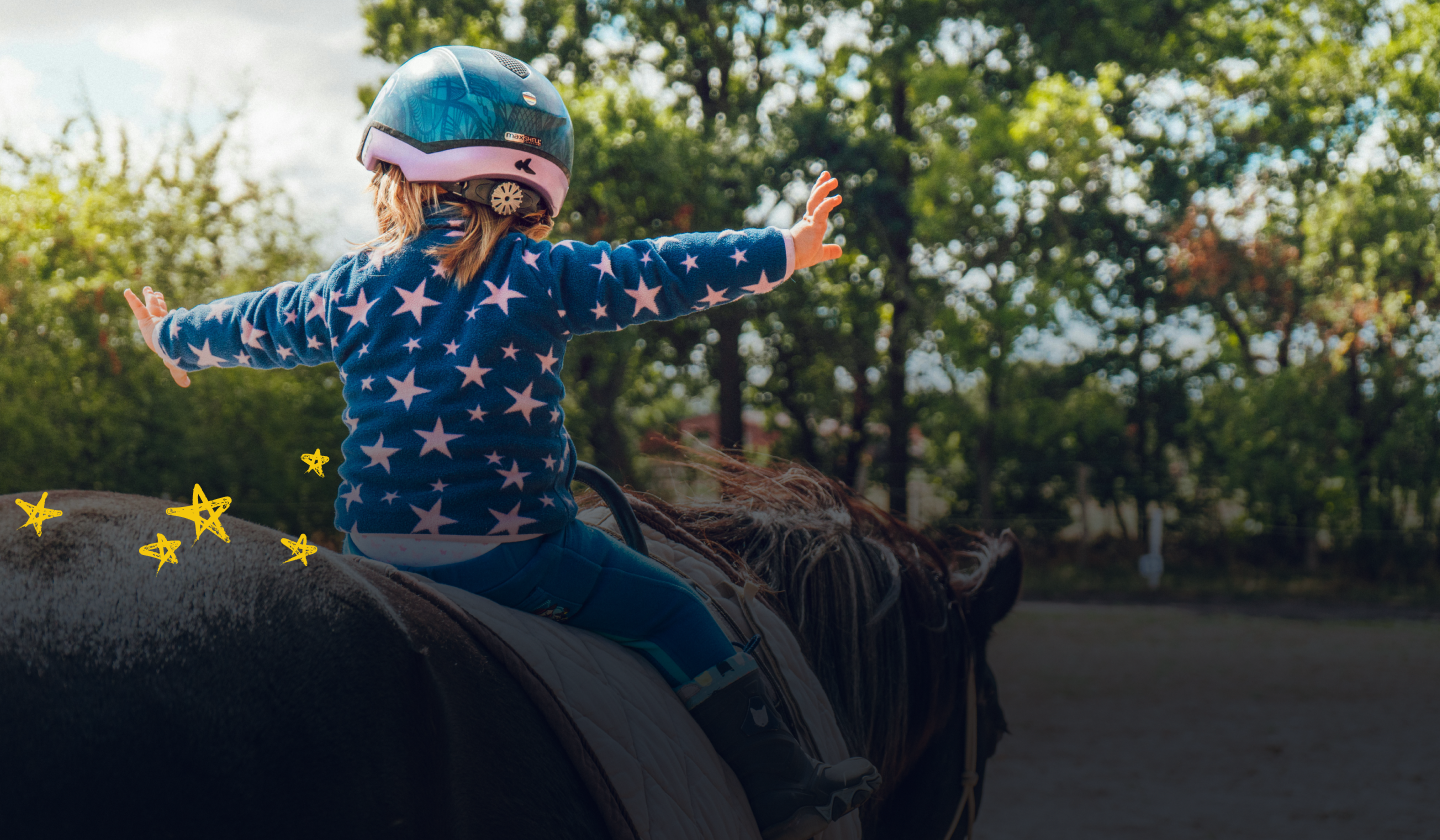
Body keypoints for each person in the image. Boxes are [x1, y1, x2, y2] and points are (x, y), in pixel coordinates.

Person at [123, 45, 877, 840]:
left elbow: (261, 322)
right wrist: (784, 251)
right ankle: (788, 791)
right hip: (512, 551)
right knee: (674, 611)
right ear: (530, 189)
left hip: (373, 549)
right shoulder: (543, 274)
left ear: (396, 176)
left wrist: (173, 336)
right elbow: (661, 268)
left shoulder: (349, 284)